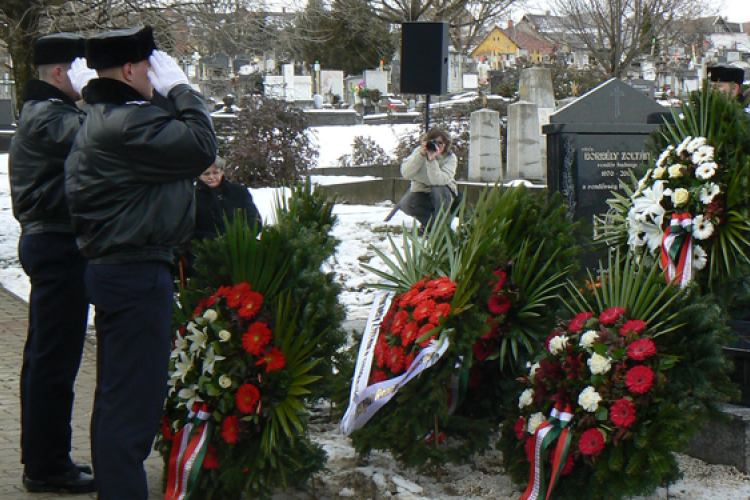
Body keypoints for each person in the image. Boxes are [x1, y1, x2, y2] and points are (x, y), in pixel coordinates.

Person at [64, 26, 217, 500]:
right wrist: (183, 89)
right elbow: (199, 147)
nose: (159, 77)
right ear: (130, 70)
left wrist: (167, 95)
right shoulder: (127, 124)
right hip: (134, 273)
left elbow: (174, 142)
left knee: (117, 398)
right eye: (152, 68)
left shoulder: (113, 116)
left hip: (121, 269)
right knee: (132, 406)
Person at [9, 33, 98, 494]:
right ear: (62, 73)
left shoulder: (46, 112)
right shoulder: (49, 116)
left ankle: (47, 458)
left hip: (56, 243)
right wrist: (99, 96)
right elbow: (101, 136)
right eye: (83, 70)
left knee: (48, 359)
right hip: (57, 245)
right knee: (53, 362)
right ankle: (45, 466)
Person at [394, 127, 458, 228]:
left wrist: (431, 160)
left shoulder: (450, 158)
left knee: (438, 191)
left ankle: (443, 228)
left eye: (440, 143)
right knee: (407, 203)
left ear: (446, 144)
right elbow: (406, 173)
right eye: (432, 142)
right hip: (422, 191)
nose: (435, 145)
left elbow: (438, 181)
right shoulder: (419, 152)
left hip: (444, 193)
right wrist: (421, 155)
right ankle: (431, 226)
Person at [194, 156, 263, 240]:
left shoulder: (239, 191)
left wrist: (243, 235)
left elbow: (254, 218)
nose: (211, 177)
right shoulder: (192, 197)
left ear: (222, 172)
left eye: (215, 173)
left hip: (242, 245)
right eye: (206, 174)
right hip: (206, 248)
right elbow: (188, 229)